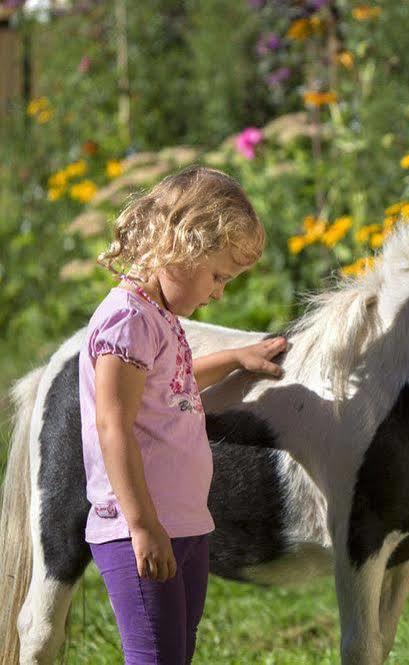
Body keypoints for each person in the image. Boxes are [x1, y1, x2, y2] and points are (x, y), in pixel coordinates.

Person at [80, 166, 287, 664]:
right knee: (154, 656)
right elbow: (114, 424)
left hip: (185, 524)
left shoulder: (159, 318)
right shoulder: (126, 321)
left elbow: (175, 385)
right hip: (141, 528)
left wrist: (237, 359)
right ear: (181, 245)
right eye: (218, 276)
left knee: (176, 652)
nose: (219, 293)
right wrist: (143, 525)